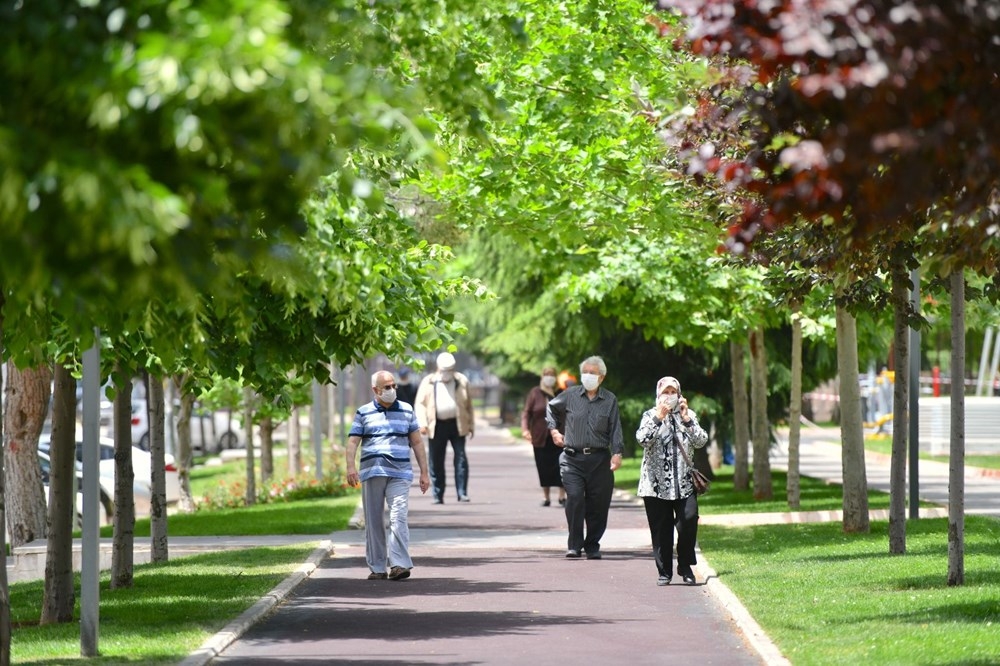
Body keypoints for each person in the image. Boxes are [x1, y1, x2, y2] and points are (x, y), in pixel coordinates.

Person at [345, 371, 430, 581]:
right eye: (387, 387)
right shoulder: (363, 412)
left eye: (393, 386)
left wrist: (424, 473)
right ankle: (378, 567)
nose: (392, 390)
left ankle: (399, 564)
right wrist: (350, 467)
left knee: (398, 516)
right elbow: (353, 442)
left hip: (400, 473)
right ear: (375, 390)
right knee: (373, 520)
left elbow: (417, 442)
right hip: (372, 471)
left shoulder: (407, 410)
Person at [545, 355, 624, 560]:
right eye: (585, 372)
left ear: (602, 377)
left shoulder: (609, 400)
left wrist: (617, 453)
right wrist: (554, 431)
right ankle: (574, 544)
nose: (588, 376)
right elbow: (551, 408)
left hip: (599, 460)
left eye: (592, 372)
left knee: (599, 505)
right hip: (572, 458)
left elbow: (615, 428)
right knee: (575, 498)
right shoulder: (570, 395)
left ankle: (592, 544)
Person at [635, 376, 708, 586]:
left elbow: (701, 441)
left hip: (684, 483)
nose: (669, 396)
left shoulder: (688, 415)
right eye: (665, 392)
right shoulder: (650, 415)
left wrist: (687, 419)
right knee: (661, 530)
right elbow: (642, 439)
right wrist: (659, 418)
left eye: (672, 392)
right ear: (658, 395)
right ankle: (664, 571)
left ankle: (685, 566)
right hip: (655, 485)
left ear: (679, 394)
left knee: (688, 520)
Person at [414, 352, 475, 504]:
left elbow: (469, 406)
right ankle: (438, 494)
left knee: (461, 458)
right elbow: (420, 404)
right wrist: (422, 423)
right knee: (436, 460)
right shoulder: (428, 382)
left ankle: (462, 493)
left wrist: (471, 425)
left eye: (450, 370)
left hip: (457, 424)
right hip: (437, 425)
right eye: (444, 370)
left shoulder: (461, 380)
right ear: (438, 368)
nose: (447, 373)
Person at [521, 366, 566, 507]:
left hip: (559, 436)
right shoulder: (535, 393)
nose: (549, 377)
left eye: (552, 375)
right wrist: (525, 429)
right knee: (543, 467)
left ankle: (562, 496)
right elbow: (527, 412)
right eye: (546, 374)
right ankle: (546, 497)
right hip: (540, 437)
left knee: (562, 466)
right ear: (542, 376)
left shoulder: (561, 392)